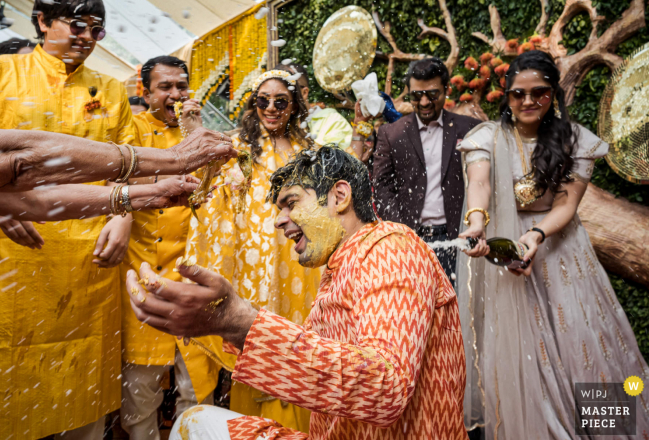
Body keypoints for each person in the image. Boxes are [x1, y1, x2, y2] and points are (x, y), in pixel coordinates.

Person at [0, 0, 227, 440]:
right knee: (2, 366)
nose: (87, 37)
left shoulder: (110, 91)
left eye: (97, 30)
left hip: (91, 253)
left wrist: (122, 217)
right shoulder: (2, 74)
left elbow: (124, 165)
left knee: (82, 383)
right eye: (77, 25)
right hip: (15, 253)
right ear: (41, 21)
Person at [126, 146, 468, 439]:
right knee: (195, 423)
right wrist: (226, 323)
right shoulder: (342, 265)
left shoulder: (389, 249)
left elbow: (387, 388)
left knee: (196, 425)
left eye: (291, 203)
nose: (279, 221)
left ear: (339, 196)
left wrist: (240, 321)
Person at [457, 50, 649, 438]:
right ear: (506, 95)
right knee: (522, 357)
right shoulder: (486, 137)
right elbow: (480, 183)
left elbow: (567, 205)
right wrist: (477, 221)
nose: (528, 102)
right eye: (518, 94)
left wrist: (536, 235)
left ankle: (607, 430)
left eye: (539, 92)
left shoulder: (575, 139)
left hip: (562, 255)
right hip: (507, 255)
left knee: (584, 347)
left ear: (553, 94)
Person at [181, 69, 321, 433]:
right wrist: (195, 136)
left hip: (298, 265)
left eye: (280, 102)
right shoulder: (236, 148)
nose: (271, 109)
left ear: (294, 106)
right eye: (263, 101)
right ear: (252, 104)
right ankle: (258, 429)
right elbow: (203, 197)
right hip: (252, 265)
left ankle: (300, 426)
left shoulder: (310, 152)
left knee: (299, 341)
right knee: (256, 336)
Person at [119, 55, 213, 439]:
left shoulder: (204, 135)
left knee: (196, 389)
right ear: (146, 92)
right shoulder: (131, 132)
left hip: (194, 278)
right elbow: (117, 188)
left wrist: (197, 134)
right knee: (140, 395)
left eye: (181, 86)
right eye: (165, 87)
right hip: (145, 273)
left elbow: (221, 195)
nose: (175, 95)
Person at [373, 57, 480, 287]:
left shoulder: (468, 128)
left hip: (458, 238)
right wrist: (402, 232)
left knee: (458, 313)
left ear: (446, 90)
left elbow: (481, 180)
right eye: (416, 95)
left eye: (432, 94)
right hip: (409, 239)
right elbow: (381, 185)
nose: (423, 102)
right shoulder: (391, 133)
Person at [274, 62, 374, 162]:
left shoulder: (331, 120)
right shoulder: (272, 123)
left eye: (288, 90)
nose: (274, 103)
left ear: (304, 92)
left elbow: (343, 164)